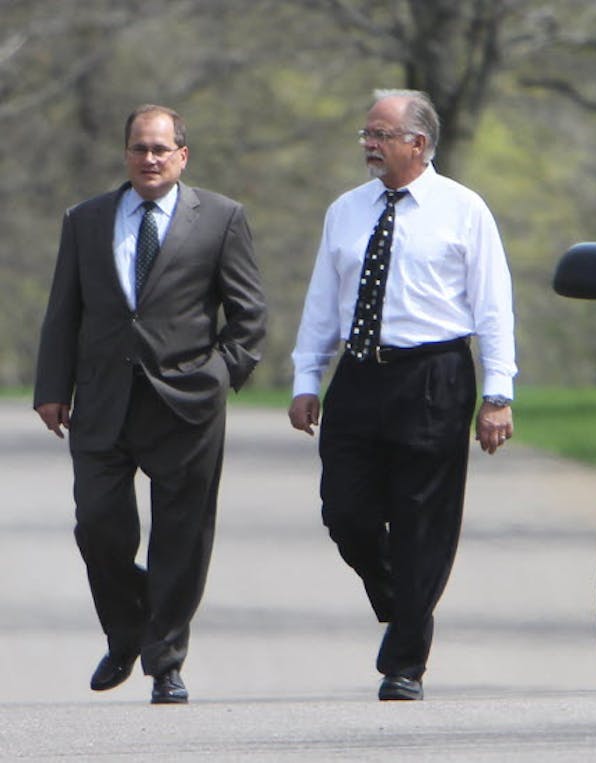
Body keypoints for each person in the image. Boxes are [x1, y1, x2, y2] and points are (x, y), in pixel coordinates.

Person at [287, 89, 517, 701]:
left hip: (434, 375)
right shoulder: (346, 210)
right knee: (345, 510)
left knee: (423, 521)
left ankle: (405, 661)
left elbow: (493, 307)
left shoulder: (463, 210)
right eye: (366, 133)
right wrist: (307, 377)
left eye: (381, 134)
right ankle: (400, 597)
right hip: (360, 376)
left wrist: (498, 394)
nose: (369, 144)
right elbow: (321, 302)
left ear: (417, 143)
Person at [33, 104, 267, 704]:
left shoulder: (219, 218)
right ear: (126, 155)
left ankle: (165, 661)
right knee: (99, 526)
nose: (150, 158)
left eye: (161, 148)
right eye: (139, 147)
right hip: (104, 400)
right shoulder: (86, 219)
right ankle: (127, 626)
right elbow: (65, 310)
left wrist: (219, 374)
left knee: (181, 537)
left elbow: (249, 315)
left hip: (186, 402)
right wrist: (52, 388)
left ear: (182, 155)